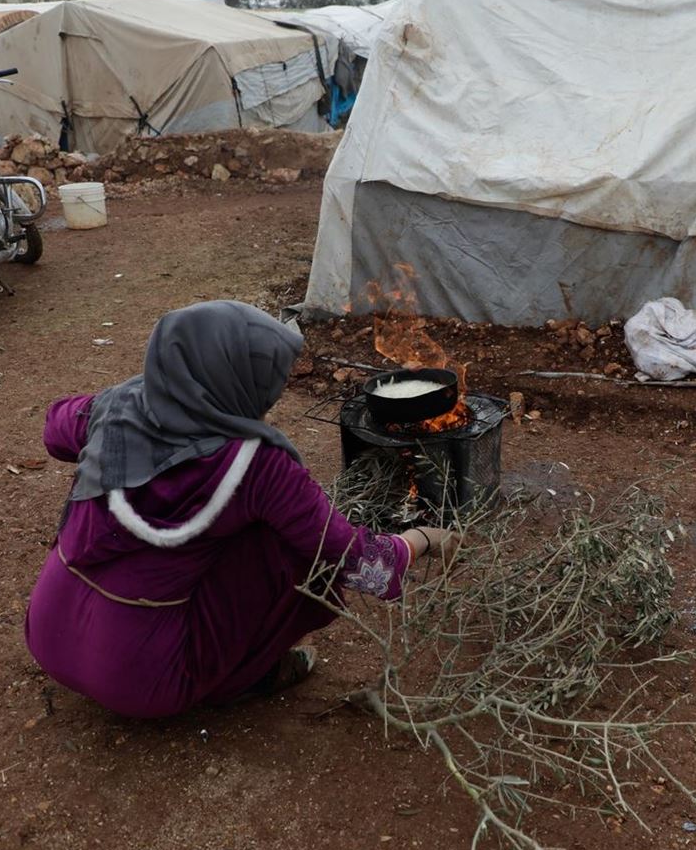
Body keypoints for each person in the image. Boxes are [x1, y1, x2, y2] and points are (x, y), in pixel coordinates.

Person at [25, 300, 456, 718]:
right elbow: (360, 564)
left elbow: (53, 430)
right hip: (145, 680)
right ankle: (245, 676)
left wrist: (133, 402)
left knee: (259, 531)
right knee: (290, 546)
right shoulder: (256, 468)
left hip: (47, 634)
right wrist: (422, 538)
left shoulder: (114, 409)